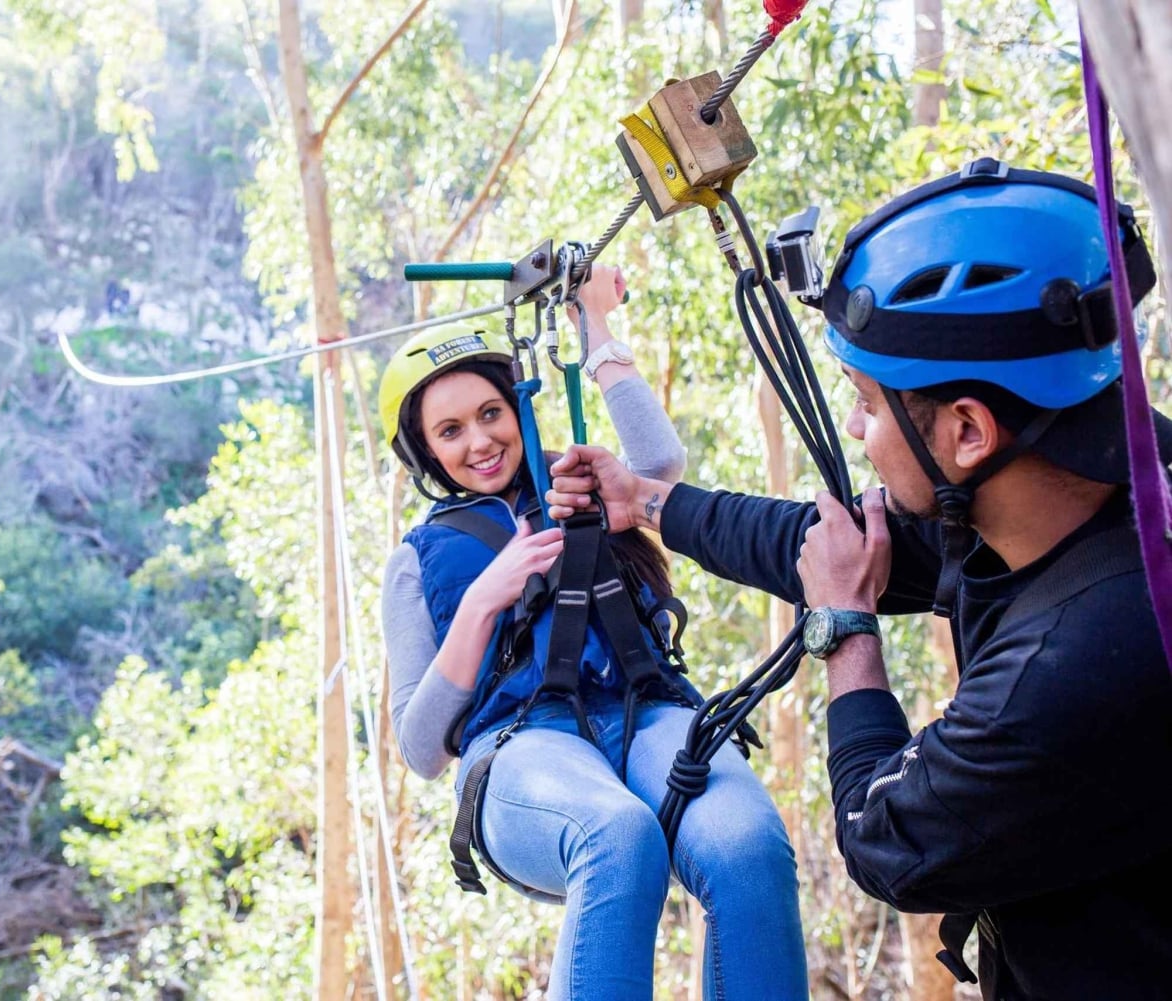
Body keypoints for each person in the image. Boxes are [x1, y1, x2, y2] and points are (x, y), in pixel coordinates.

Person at [545, 161, 1172, 1000]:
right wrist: (646, 499)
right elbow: (825, 542)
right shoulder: (1085, 485)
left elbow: (887, 840)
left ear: (968, 431)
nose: (855, 429)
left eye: (867, 404)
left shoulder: (1068, 672)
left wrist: (846, 629)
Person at [379, 265, 807, 1000]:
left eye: (491, 412)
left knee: (748, 849)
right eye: (450, 430)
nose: (479, 440)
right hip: (521, 746)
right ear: (426, 453)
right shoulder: (417, 562)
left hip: (650, 715)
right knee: (617, 835)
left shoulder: (579, 483)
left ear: (519, 407)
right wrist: (486, 597)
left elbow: (659, 465)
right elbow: (420, 748)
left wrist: (596, 327)